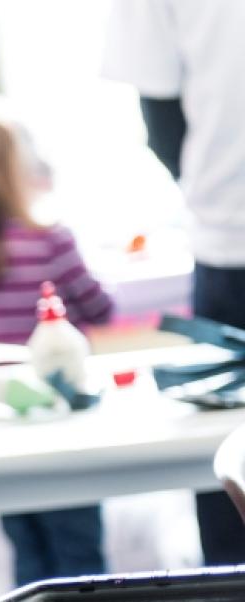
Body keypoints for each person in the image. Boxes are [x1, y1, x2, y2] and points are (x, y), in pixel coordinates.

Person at [0, 120, 115, 586]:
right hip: (62, 427)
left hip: (4, 433)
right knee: (79, 554)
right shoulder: (51, 243)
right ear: (10, 175)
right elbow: (101, 308)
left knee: (29, 557)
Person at [102, 0, 245, 565]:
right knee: (229, 480)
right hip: (229, 243)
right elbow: (161, 114)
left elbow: (162, 117)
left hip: (229, 234)